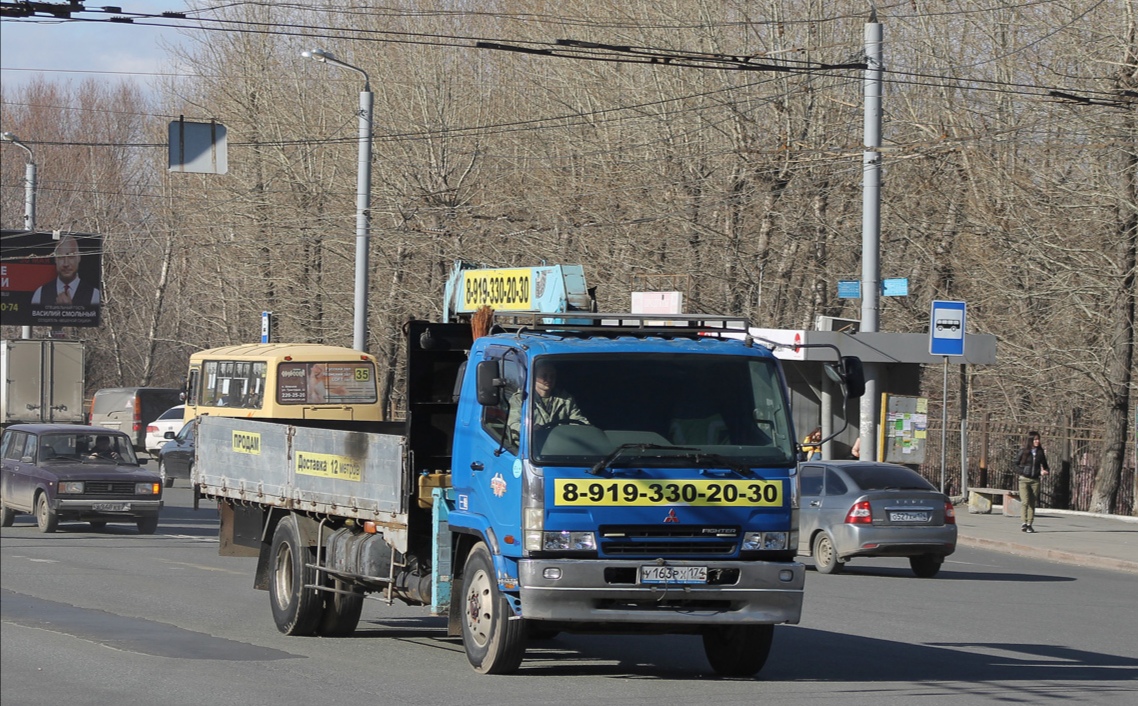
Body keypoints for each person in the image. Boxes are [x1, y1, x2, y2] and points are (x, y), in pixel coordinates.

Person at [507, 361, 589, 438]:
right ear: (534, 377)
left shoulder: (566, 399)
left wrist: (589, 430)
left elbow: (578, 422)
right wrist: (530, 429)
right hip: (532, 447)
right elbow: (512, 425)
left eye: (552, 376)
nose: (549, 379)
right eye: (544, 376)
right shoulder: (521, 399)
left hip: (560, 446)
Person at [31, 235, 101, 306]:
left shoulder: (94, 295)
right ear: (55, 259)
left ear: (79, 258)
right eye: (61, 257)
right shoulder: (40, 294)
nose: (66, 263)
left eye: (71, 256)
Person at [1015, 431, 1050, 533]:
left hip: (1035, 480)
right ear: (1030, 440)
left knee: (1032, 502)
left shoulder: (1040, 452)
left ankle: (1030, 523)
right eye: (1035, 439)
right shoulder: (1023, 451)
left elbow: (1045, 465)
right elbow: (1015, 464)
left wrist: (1045, 471)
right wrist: (1022, 471)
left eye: (1038, 439)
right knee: (1025, 501)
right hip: (1024, 480)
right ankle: (1023, 523)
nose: (1037, 441)